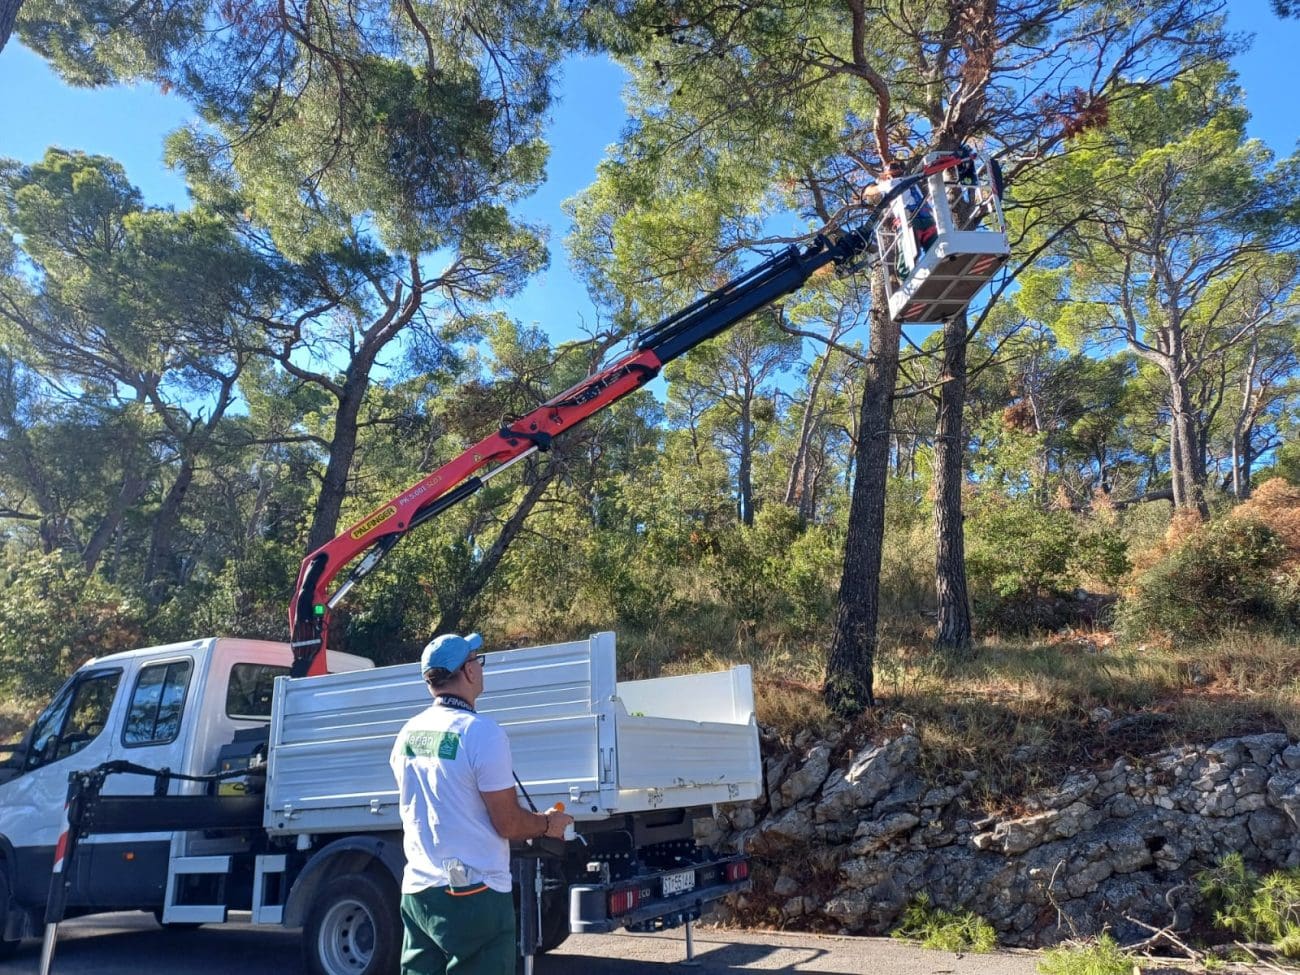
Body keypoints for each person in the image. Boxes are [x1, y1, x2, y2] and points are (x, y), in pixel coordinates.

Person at [389, 632, 574, 975]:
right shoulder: (481, 733)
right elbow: (508, 824)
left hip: (417, 891)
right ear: (468, 671)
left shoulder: (408, 734)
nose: (481, 667)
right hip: (474, 894)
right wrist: (548, 824)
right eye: (477, 659)